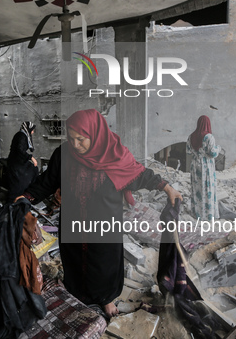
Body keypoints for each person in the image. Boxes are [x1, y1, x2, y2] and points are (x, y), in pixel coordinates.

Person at [19, 109, 182, 318]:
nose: (76, 145)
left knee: (103, 265)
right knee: (74, 261)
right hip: (73, 223)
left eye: (81, 139)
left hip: (104, 226)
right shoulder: (64, 154)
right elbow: (47, 182)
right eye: (71, 138)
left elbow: (141, 175)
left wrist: (167, 188)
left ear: (95, 134)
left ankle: (106, 299)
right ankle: (77, 293)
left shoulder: (115, 155)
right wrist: (25, 198)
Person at [186, 115, 221, 220]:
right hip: (206, 166)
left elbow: (188, 151)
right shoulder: (208, 137)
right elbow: (213, 153)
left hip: (195, 165)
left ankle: (197, 213)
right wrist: (218, 148)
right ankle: (208, 215)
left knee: (196, 188)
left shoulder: (191, 136)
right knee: (207, 188)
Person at [5, 121, 39, 202]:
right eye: (32, 130)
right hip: (15, 162)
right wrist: (31, 158)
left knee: (34, 170)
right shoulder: (21, 136)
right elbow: (19, 150)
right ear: (28, 129)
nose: (33, 132)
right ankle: (13, 200)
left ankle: (30, 193)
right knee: (19, 181)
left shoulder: (24, 135)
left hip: (20, 160)